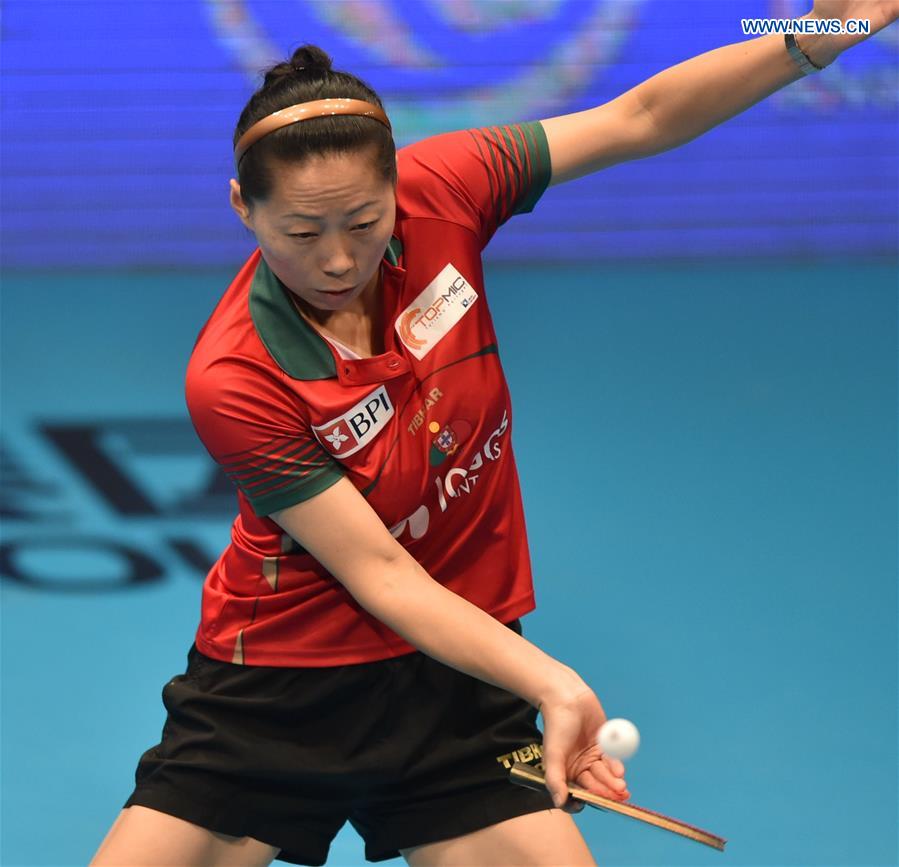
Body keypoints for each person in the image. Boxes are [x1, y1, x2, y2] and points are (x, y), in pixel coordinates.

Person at [90, 4, 895, 865]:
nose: (336, 259)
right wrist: (553, 682)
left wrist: (821, 33)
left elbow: (641, 116)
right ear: (242, 209)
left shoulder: (448, 188)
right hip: (282, 684)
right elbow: (381, 575)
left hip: (459, 675)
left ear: (398, 185)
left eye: (364, 222)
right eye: (300, 232)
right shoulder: (234, 374)